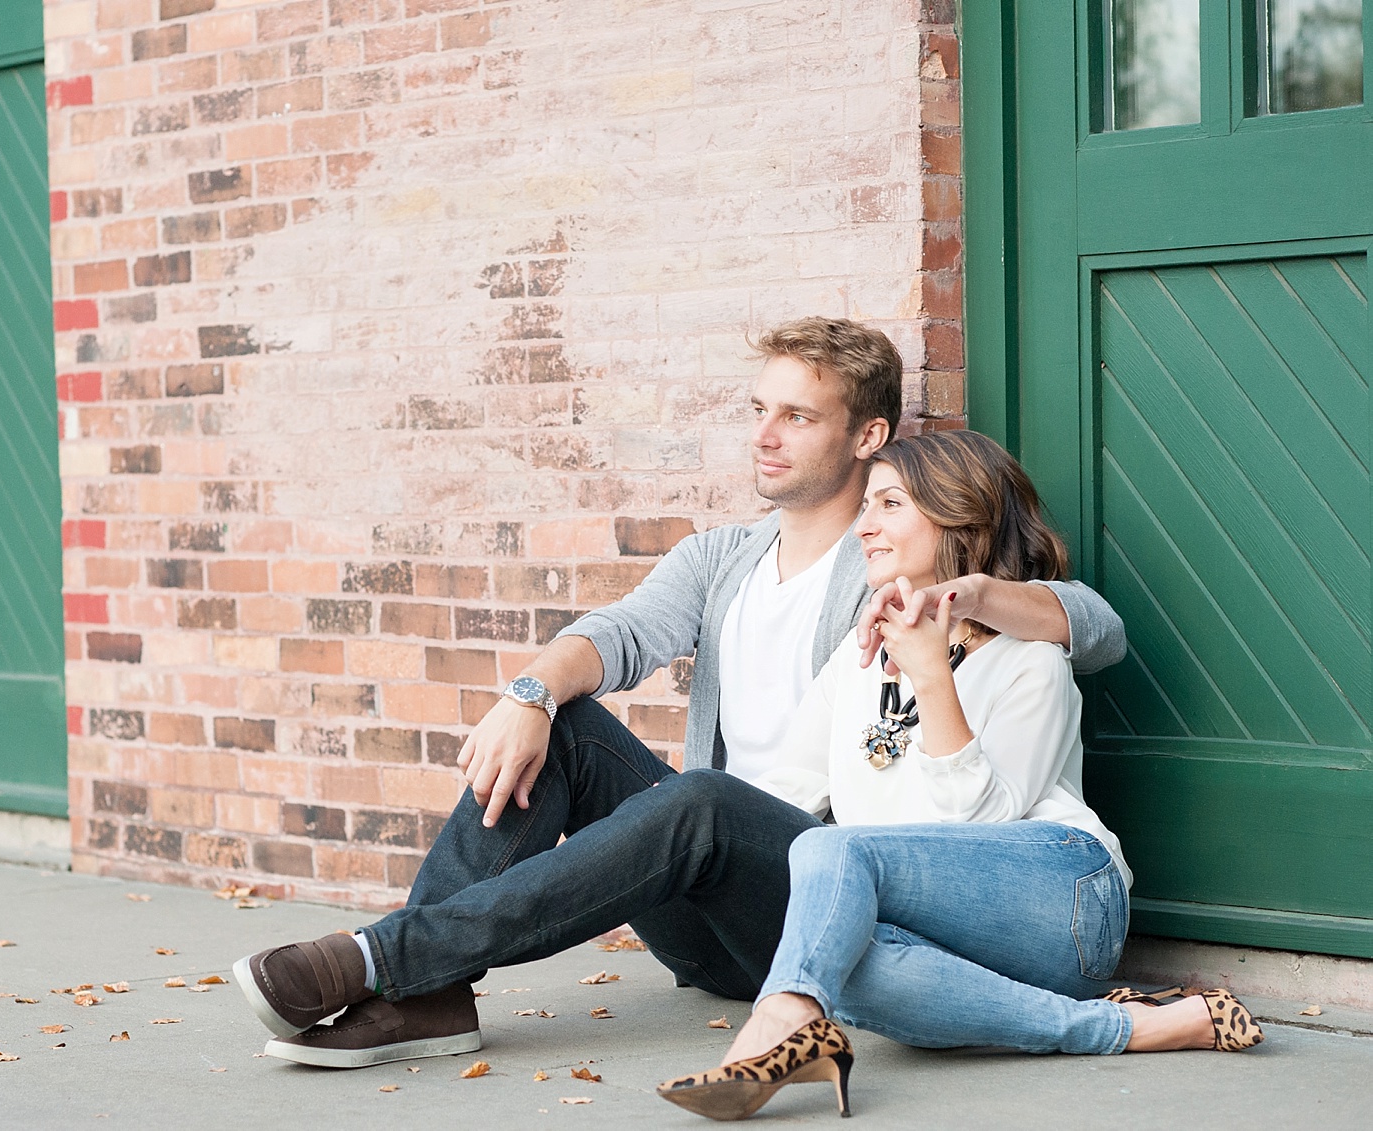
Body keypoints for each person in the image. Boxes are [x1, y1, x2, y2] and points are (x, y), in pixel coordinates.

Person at [233, 317, 1127, 1068]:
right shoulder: (720, 560)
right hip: (709, 892)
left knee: (701, 801)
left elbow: (1089, 624)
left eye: (796, 415)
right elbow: (619, 633)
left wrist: (966, 597)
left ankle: (387, 958)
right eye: (758, 410)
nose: (763, 435)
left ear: (867, 436)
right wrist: (532, 692)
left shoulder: (897, 570)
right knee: (573, 728)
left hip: (812, 900)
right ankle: (429, 991)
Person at [655, 431, 1261, 1123]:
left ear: (958, 518)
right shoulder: (859, 660)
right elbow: (782, 797)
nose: (865, 524)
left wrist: (933, 676)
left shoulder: (1032, 660)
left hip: (1065, 899)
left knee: (830, 850)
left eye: (888, 503)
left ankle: (777, 1025)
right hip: (945, 932)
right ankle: (1127, 1027)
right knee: (842, 959)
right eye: (866, 506)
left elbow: (978, 828)